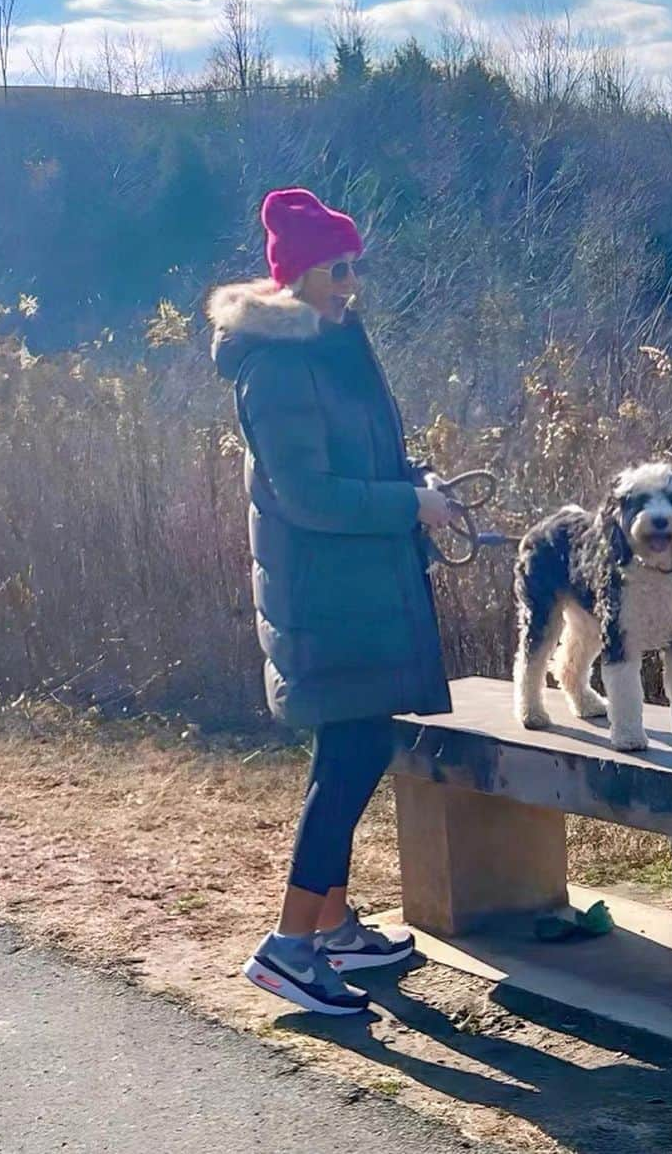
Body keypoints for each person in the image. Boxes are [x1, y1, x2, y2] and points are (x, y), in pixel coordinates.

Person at [205, 187, 455, 1016]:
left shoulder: (334, 344)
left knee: (354, 755)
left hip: (360, 593)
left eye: (352, 268)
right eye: (335, 270)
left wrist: (413, 484)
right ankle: (288, 947)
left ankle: (334, 922)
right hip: (328, 600)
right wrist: (405, 507)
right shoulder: (277, 366)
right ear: (297, 276)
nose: (350, 284)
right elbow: (308, 494)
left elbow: (363, 457)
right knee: (346, 766)